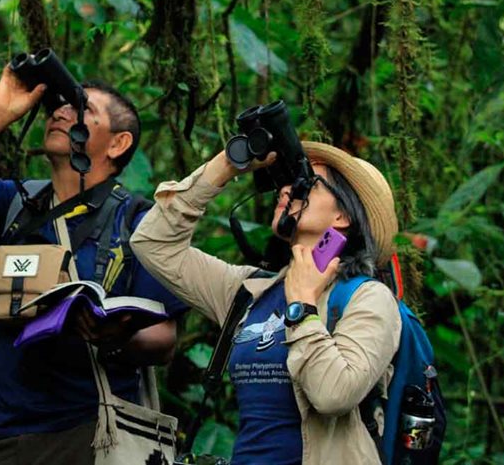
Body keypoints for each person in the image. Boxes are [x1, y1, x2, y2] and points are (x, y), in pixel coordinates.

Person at [0, 66, 186, 464]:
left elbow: (164, 338)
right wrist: (0, 110)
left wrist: (112, 333)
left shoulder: (138, 222)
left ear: (118, 143)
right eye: (57, 106)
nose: (60, 112)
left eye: (81, 109)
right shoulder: (17, 203)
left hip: (86, 435)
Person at [129, 144, 402, 464]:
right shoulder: (248, 291)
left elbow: (334, 394)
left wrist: (302, 305)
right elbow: (153, 243)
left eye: (306, 183)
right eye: (287, 181)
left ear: (342, 216)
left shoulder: (367, 297)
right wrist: (227, 164)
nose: (286, 188)